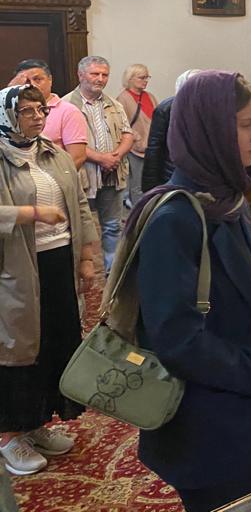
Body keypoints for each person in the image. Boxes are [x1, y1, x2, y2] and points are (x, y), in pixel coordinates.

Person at [110, 71, 251, 512]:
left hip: (242, 410)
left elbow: (247, 297)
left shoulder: (228, 200)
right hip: (206, 428)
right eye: (246, 125)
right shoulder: (174, 219)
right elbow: (178, 340)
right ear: (209, 131)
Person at [0, 84, 98, 477]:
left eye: (40, 109)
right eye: (26, 111)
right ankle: (9, 435)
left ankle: (36, 423)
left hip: (59, 261)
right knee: (19, 350)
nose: (37, 117)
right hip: (16, 268)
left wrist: (86, 257)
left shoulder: (52, 153)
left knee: (55, 342)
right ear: (8, 115)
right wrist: (31, 214)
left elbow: (78, 204)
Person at [63, 56, 134, 273]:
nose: (100, 79)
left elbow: (128, 134)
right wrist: (100, 158)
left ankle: (112, 272)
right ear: (80, 75)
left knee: (112, 226)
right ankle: (80, 271)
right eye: (95, 74)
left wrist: (115, 156)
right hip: (82, 175)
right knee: (78, 227)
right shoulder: (67, 105)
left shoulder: (115, 104)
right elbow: (66, 143)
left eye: (105, 75)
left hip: (112, 174)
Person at [9, 60, 87, 170]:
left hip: (54, 175)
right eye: (26, 81)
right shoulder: (11, 110)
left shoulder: (68, 111)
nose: (32, 85)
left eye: (37, 79)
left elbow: (77, 157)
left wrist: (55, 179)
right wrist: (11, 90)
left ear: (50, 80)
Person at [142, 69, 201, 193]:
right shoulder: (166, 108)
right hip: (171, 176)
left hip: (201, 177)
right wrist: (150, 187)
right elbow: (155, 148)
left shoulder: (211, 109)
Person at [115, 64, 158, 208]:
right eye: (142, 77)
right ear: (130, 79)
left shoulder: (150, 96)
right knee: (137, 185)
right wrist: (137, 138)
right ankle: (139, 214)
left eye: (147, 77)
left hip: (152, 147)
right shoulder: (123, 99)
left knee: (152, 183)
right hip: (135, 149)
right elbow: (121, 125)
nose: (145, 81)